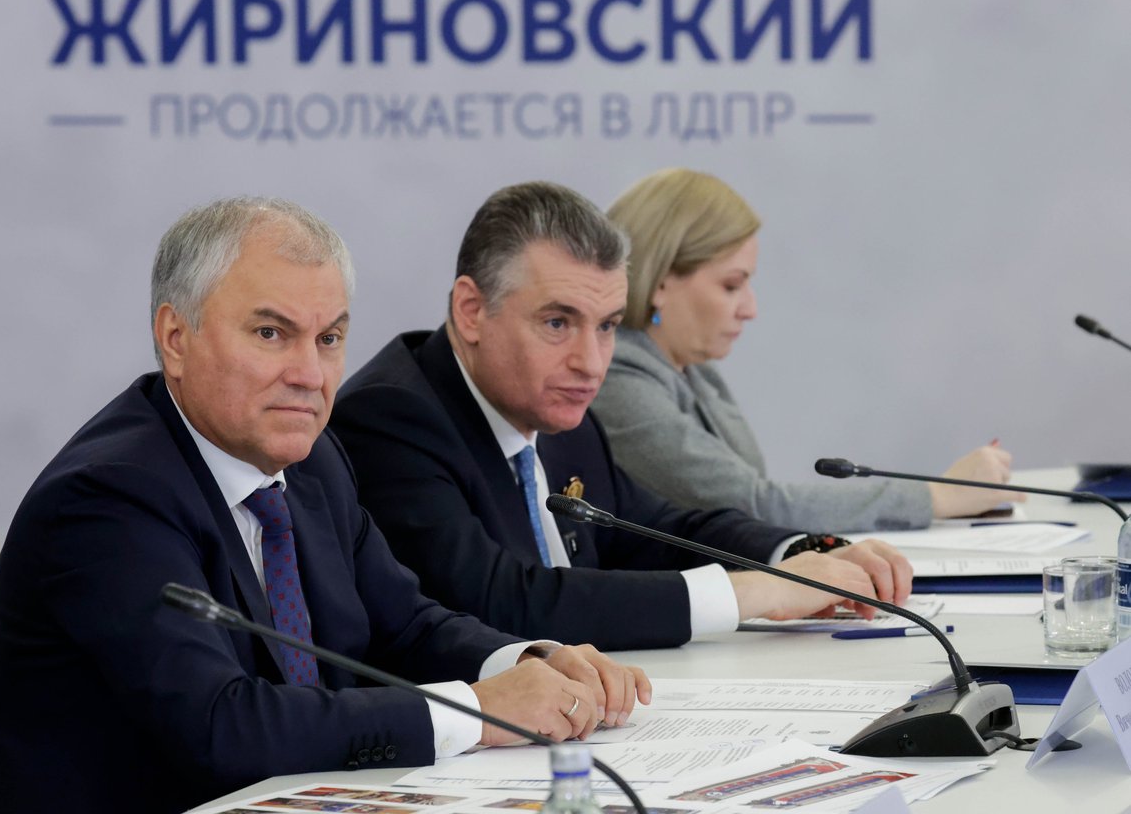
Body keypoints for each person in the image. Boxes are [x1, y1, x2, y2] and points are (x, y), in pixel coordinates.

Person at [0, 198, 649, 814]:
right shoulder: (108, 499)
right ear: (176, 339)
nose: (309, 374)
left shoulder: (310, 461)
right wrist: (480, 711)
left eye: (329, 338)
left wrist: (525, 660)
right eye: (271, 334)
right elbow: (224, 727)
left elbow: (402, 624)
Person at [331, 181, 912, 653]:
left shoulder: (560, 412)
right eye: (557, 323)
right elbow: (500, 603)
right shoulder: (392, 419)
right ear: (471, 310)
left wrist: (800, 554)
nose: (590, 362)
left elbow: (663, 530)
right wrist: (752, 594)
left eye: (607, 326)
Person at [592, 167, 1021, 533]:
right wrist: (935, 497)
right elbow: (752, 506)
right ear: (661, 282)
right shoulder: (618, 376)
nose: (750, 309)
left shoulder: (691, 365)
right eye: (731, 285)